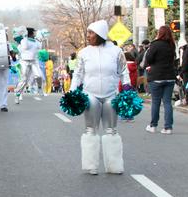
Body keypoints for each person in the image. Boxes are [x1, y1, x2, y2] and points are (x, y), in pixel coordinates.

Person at [72, 20, 131, 175]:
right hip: (91, 95)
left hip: (111, 95)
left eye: (91, 33)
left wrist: (126, 87)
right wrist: (73, 91)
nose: (88, 36)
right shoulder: (83, 53)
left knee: (111, 130)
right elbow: (77, 74)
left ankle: (114, 166)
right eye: (88, 33)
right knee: (90, 129)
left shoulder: (116, 51)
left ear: (100, 34)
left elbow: (123, 71)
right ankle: (91, 165)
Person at [143, 26, 177, 134]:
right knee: (167, 102)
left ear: (159, 33)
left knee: (156, 102)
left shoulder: (155, 44)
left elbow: (149, 58)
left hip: (156, 76)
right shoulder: (172, 45)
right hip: (170, 76)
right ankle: (168, 127)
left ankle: (153, 125)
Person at [14, 27, 43, 102]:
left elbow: (39, 47)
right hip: (25, 62)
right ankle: (17, 95)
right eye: (34, 32)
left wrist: (40, 40)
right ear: (30, 33)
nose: (35, 34)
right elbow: (25, 47)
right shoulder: (24, 40)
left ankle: (39, 88)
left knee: (39, 75)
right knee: (24, 80)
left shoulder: (36, 41)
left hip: (34, 61)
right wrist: (25, 37)